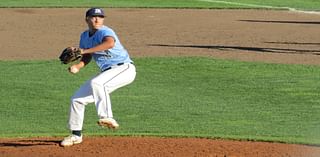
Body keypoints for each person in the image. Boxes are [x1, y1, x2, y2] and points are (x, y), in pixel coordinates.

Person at [60, 8, 136, 147]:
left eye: (100, 17)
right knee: (77, 99)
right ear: (87, 19)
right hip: (107, 72)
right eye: (93, 17)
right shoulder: (84, 36)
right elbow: (87, 56)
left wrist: (84, 50)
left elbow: (109, 43)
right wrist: (78, 66)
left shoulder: (105, 31)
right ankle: (76, 135)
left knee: (97, 83)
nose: (97, 20)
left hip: (124, 68)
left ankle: (107, 117)